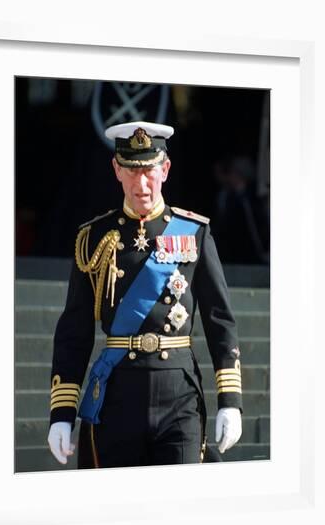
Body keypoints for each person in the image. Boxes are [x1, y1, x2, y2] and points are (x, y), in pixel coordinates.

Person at [47, 121, 242, 468]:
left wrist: (230, 400)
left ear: (165, 170)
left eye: (150, 171)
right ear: (116, 170)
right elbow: (74, 330)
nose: (142, 184)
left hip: (179, 396)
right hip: (117, 395)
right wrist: (62, 412)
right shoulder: (93, 237)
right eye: (132, 171)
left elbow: (219, 320)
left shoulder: (194, 233)